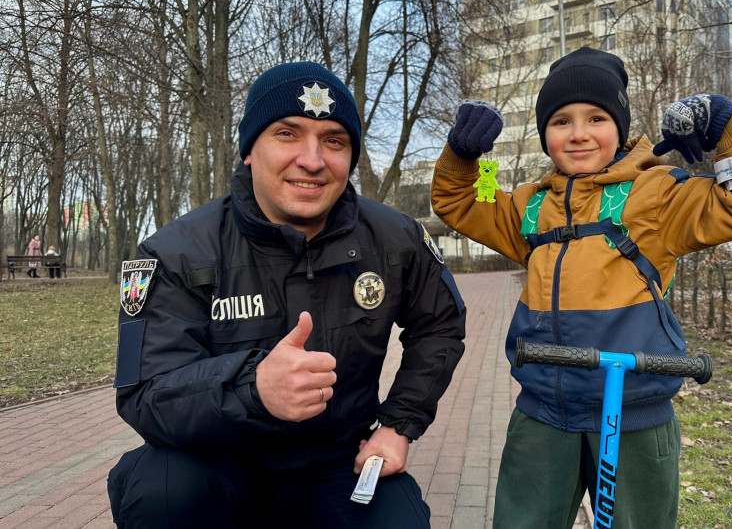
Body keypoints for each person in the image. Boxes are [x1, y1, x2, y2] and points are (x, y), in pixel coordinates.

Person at [432, 47, 732, 528]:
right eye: (560, 121)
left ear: (619, 127)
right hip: (542, 413)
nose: (578, 133)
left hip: (632, 412)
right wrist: (466, 155)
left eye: (596, 117)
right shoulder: (529, 206)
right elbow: (465, 201)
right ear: (544, 135)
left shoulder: (655, 193)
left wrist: (728, 129)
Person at [107, 62, 467, 528]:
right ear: (249, 151)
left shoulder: (396, 238)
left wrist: (399, 425)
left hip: (337, 462)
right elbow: (146, 394)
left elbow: (440, 324)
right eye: (287, 133)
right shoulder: (177, 252)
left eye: (334, 141)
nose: (313, 160)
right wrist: (253, 388)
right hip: (217, 463)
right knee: (162, 491)